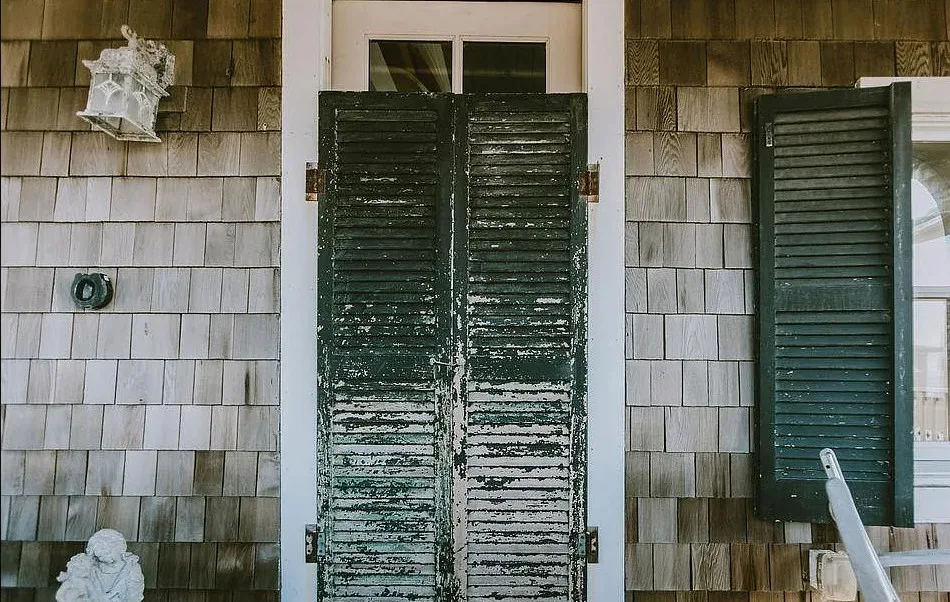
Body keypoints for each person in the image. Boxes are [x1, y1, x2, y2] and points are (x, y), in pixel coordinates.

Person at [55, 529, 144, 602]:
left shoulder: (131, 569)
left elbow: (133, 598)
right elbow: (67, 595)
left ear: (118, 547)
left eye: (104, 550)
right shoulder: (88, 567)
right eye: (98, 552)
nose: (99, 554)